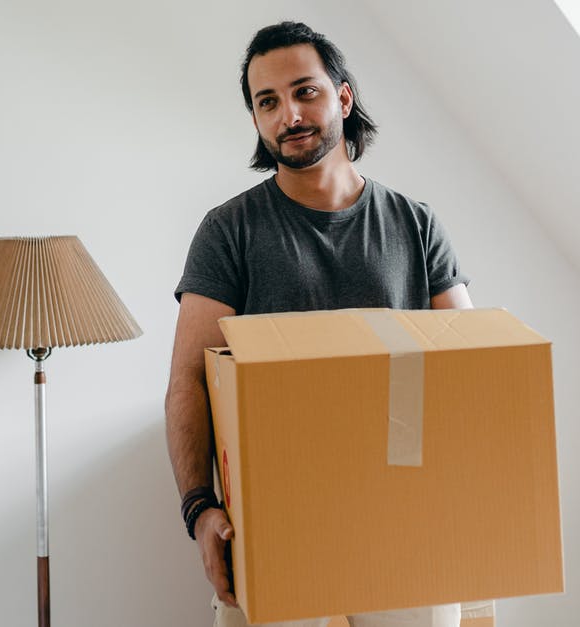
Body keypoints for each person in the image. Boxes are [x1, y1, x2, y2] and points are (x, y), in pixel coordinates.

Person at [165, 21, 473, 627]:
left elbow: (467, 364)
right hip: (276, 513)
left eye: (305, 91)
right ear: (256, 119)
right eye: (268, 102)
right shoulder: (229, 231)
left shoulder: (415, 224)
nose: (289, 115)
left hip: (403, 512)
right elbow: (188, 381)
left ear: (344, 97)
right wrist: (199, 508)